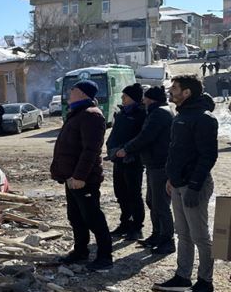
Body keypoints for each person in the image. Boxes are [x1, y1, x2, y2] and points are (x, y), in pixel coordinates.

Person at [152, 75, 218, 292]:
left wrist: (194, 186)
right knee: (183, 234)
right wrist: (171, 178)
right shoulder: (181, 116)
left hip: (194, 187)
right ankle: (182, 277)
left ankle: (205, 283)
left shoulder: (204, 118)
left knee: (200, 236)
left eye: (175, 88)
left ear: (187, 92)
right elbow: (176, 151)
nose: (170, 92)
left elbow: (208, 156)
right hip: (178, 185)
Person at [50, 80, 113, 271]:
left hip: (83, 179)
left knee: (93, 216)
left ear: (84, 94)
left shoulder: (91, 115)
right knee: (75, 216)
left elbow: (91, 150)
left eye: (74, 90)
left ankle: (105, 257)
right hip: (72, 178)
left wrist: (79, 176)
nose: (70, 92)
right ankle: (80, 251)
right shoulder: (77, 113)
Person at [116, 86, 175, 254]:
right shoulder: (158, 112)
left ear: (151, 99)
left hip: (159, 165)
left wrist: (126, 149)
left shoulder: (159, 113)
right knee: (152, 201)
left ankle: (167, 240)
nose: (143, 101)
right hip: (153, 163)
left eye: (146, 98)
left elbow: (146, 136)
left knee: (160, 204)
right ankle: (157, 234)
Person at [106, 83, 146, 241]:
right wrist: (111, 149)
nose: (122, 99)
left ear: (134, 98)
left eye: (125, 96)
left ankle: (137, 227)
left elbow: (141, 138)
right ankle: (125, 223)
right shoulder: (122, 114)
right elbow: (114, 135)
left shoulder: (141, 114)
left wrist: (127, 150)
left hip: (132, 160)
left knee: (134, 194)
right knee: (120, 193)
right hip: (118, 160)